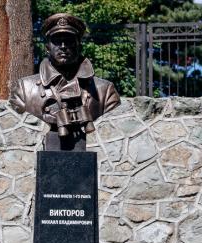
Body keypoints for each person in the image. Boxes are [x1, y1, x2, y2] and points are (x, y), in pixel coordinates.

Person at [9, 13, 120, 151]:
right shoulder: (24, 89)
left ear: (79, 45)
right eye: (56, 40)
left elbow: (114, 136)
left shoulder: (104, 91)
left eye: (69, 40)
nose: (63, 46)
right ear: (47, 47)